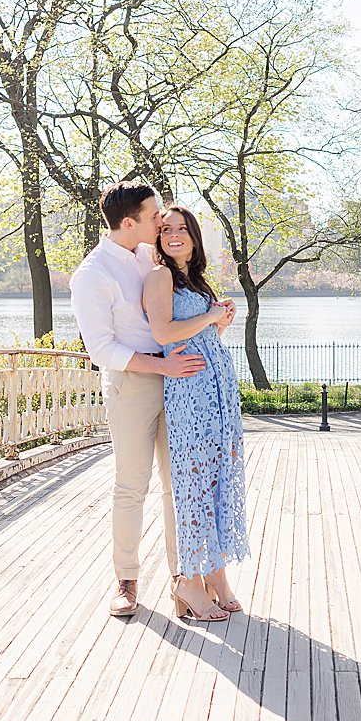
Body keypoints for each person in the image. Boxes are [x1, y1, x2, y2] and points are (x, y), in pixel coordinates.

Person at [70, 180, 207, 618]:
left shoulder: (150, 256)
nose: (161, 223)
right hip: (132, 383)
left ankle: (182, 579)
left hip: (178, 379)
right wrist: (161, 366)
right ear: (128, 223)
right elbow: (101, 350)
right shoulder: (92, 275)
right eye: (152, 217)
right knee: (131, 485)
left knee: (178, 484)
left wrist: (213, 315)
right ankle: (126, 580)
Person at [142, 205, 250, 622]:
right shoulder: (159, 275)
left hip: (216, 390)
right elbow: (163, 333)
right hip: (189, 391)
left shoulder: (195, 278)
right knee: (193, 485)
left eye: (181, 229)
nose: (173, 235)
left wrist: (217, 321)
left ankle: (216, 576)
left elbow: (197, 328)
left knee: (218, 478)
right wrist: (208, 316)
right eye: (165, 229)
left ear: (194, 236)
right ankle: (188, 579)